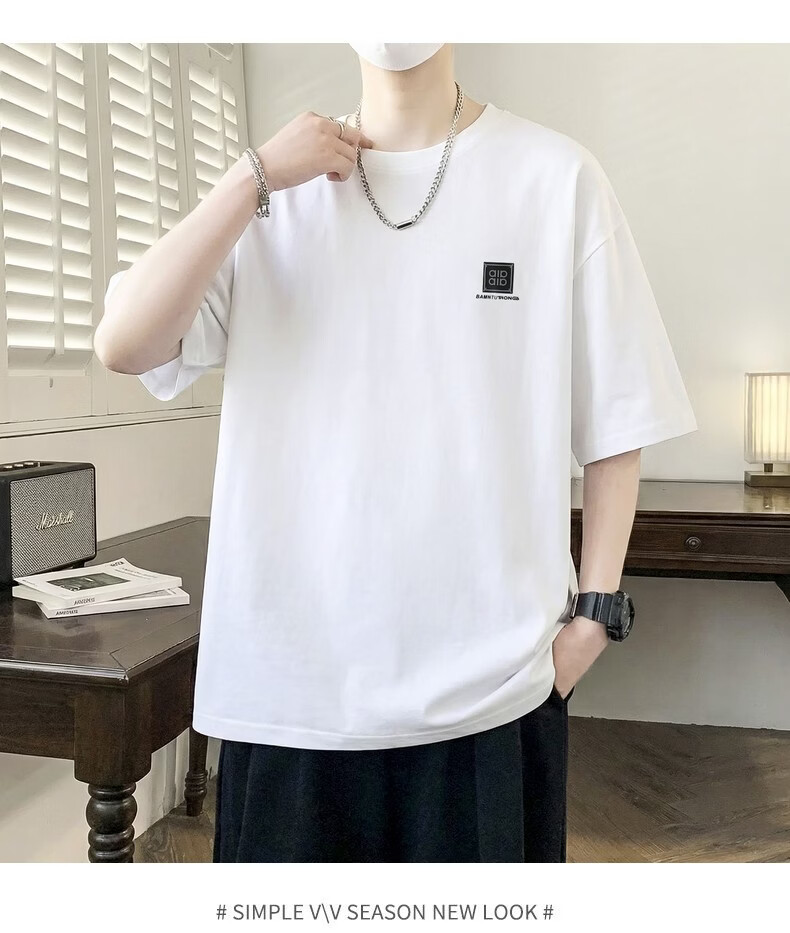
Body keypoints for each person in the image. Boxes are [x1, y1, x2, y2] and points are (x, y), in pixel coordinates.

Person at [95, 42, 698, 862]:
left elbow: (617, 419)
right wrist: (253, 176)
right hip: (291, 696)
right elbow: (125, 342)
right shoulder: (272, 197)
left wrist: (593, 617)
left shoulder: (557, 179)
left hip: (490, 694)